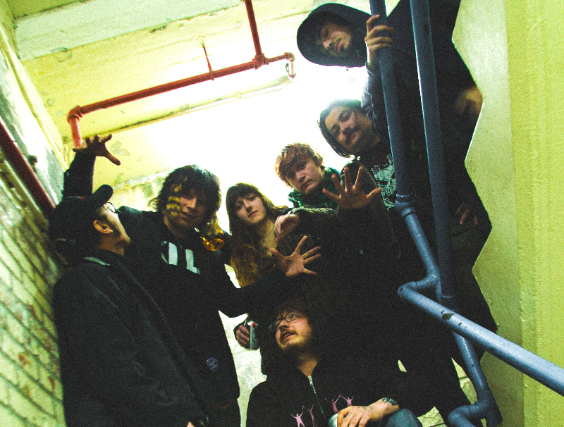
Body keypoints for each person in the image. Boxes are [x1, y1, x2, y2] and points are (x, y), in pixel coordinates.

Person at [61, 135, 303, 426]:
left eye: (202, 202)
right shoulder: (134, 225)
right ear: (168, 194)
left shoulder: (207, 251)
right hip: (161, 367)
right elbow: (80, 215)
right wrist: (85, 160)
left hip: (213, 375)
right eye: (186, 195)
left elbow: (231, 303)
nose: (192, 206)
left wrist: (282, 277)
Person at [297, 0, 487, 231]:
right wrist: (374, 65)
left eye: (325, 33)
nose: (327, 44)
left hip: (496, 108)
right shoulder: (372, 90)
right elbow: (389, 129)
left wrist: (477, 81)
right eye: (322, 48)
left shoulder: (410, 13)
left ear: (340, 18)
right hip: (470, 161)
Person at [49, 185, 211, 426]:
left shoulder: (115, 278)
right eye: (110, 209)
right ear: (102, 226)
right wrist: (175, 420)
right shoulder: (84, 281)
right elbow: (115, 370)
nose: (119, 215)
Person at [227, 168, 389, 370]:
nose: (248, 206)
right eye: (239, 206)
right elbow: (259, 302)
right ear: (235, 216)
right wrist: (246, 327)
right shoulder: (244, 257)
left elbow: (334, 226)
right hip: (289, 350)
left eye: (251, 198)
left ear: (262, 199)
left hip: (334, 321)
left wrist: (301, 218)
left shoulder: (292, 217)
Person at [246, 297, 432, 427]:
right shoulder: (267, 396)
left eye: (292, 316)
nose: (282, 325)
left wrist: (374, 409)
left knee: (401, 417)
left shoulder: (352, 367)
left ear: (313, 322)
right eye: (276, 324)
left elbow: (420, 389)